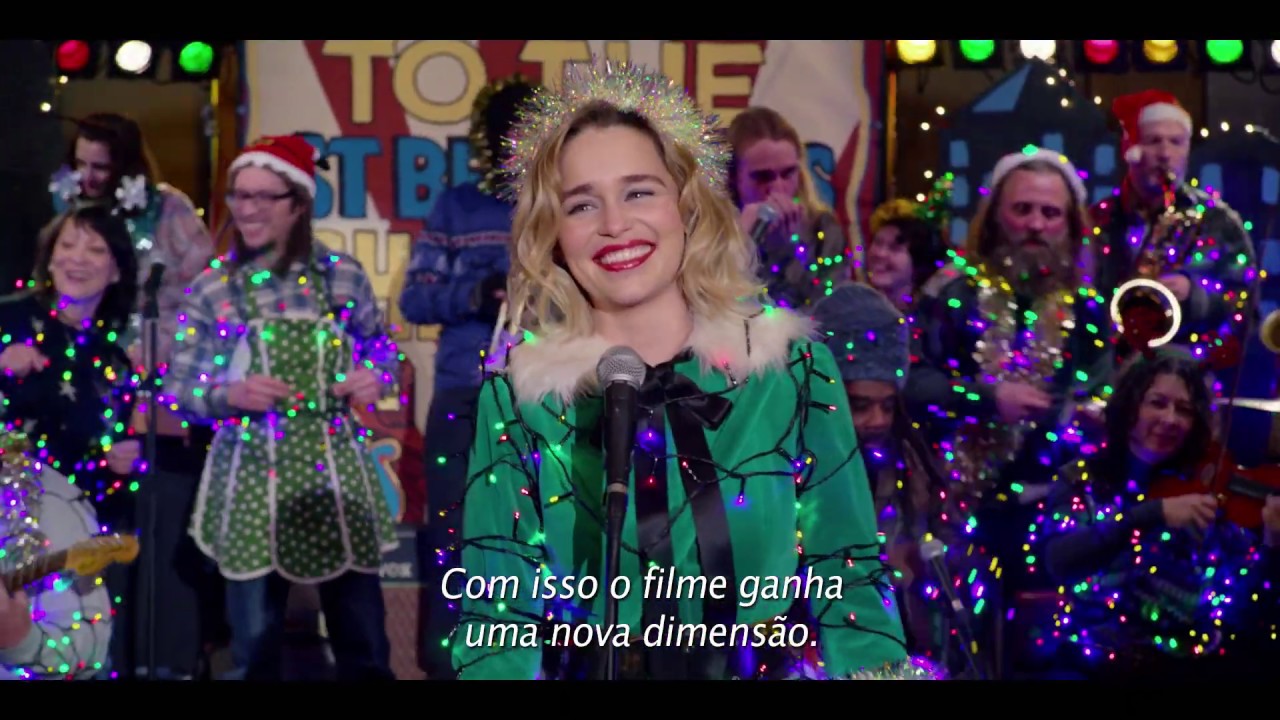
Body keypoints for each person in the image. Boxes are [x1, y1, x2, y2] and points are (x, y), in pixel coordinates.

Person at [449, 60, 928, 681]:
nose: (614, 224)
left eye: (639, 192)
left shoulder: (792, 368)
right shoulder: (521, 396)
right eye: (582, 204)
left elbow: (850, 571)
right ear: (554, 233)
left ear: (687, 203)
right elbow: (495, 611)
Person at [165, 134, 401, 681]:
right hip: (250, 472)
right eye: (238, 195)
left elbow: (383, 351)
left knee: (363, 642)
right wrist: (230, 395)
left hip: (334, 472)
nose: (246, 209)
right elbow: (178, 386)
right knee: (254, 649)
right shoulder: (214, 289)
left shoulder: (341, 276)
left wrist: (375, 376)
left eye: (262, 197)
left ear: (297, 204)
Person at [911, 147, 1114, 677]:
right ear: (996, 216)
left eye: (1050, 213)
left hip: (1053, 516)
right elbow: (911, 382)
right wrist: (986, 398)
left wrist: (1091, 414)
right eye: (1022, 209)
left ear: (1070, 225)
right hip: (959, 508)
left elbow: (1105, 391)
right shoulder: (953, 293)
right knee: (960, 658)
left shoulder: (1088, 309)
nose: (1036, 225)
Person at [48, 111, 219, 679]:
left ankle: (165, 660)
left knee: (158, 537)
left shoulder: (169, 210)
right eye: (80, 164)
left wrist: (161, 350)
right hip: (87, 381)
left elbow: (205, 294)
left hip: (156, 386)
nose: (88, 176)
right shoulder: (68, 204)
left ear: (126, 166)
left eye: (101, 167)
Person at [397, 74, 539, 679]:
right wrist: (478, 293)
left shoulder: (564, 206)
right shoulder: (457, 207)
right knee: (452, 533)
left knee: (538, 533)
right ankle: (446, 662)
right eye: (504, 136)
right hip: (466, 390)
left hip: (544, 393)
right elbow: (414, 299)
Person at [1024, 350, 1280, 680]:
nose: (1171, 419)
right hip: (1090, 661)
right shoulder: (1082, 478)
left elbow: (1244, 611)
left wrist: (1272, 546)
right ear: (1130, 406)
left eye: (1184, 410)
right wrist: (1150, 514)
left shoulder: (1210, 492)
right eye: (1157, 403)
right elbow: (1058, 561)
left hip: (1183, 669)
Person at [0, 201, 144, 679]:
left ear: (116, 269)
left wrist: (123, 462)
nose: (77, 258)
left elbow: (105, 465)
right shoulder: (10, 318)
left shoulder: (114, 360)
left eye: (95, 249)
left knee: (72, 660)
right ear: (49, 255)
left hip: (72, 541)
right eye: (67, 245)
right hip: (8, 519)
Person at [811, 283, 978, 676]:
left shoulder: (910, 465)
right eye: (860, 406)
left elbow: (952, 541)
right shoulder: (793, 470)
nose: (878, 421)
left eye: (888, 406)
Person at [1090, 91, 1257, 361]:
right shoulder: (1097, 220)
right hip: (1109, 367)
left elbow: (1245, 305)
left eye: (1176, 142)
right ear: (1130, 149)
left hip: (1191, 369)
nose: (1165, 154)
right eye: (1154, 141)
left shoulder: (1219, 221)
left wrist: (1194, 293)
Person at [725, 106, 850, 311]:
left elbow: (821, 314)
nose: (778, 188)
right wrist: (742, 246)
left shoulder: (823, 230)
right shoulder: (709, 232)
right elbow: (718, 307)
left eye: (788, 173)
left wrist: (783, 254)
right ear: (734, 178)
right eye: (763, 177)